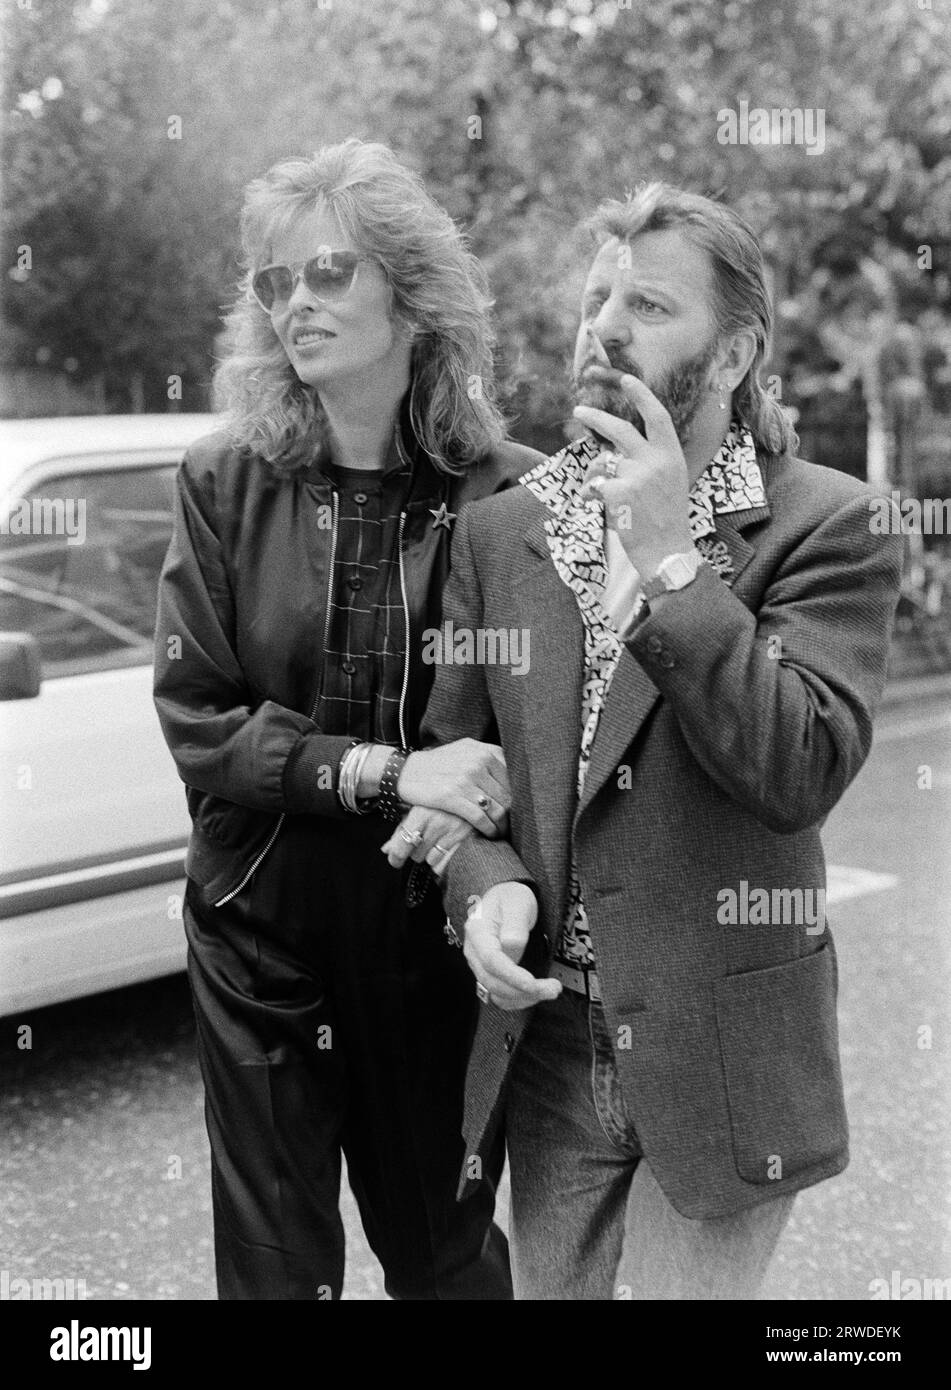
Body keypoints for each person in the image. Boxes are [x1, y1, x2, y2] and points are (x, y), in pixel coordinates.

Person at [386, 183, 904, 1299]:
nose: (605, 326)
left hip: (724, 1054)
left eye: (651, 304)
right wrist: (486, 888)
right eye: (595, 298)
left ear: (731, 356)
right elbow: (454, 768)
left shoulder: (827, 524)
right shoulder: (502, 531)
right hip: (551, 1049)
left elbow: (795, 768)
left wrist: (672, 560)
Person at [153, 138, 541, 1299]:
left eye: (327, 273)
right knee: (276, 1271)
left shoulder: (508, 490)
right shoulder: (225, 478)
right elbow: (198, 718)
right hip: (258, 925)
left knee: (447, 1253)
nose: (296, 305)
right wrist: (385, 769)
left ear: (411, 294)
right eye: (275, 284)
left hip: (433, 933)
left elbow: (545, 729)